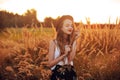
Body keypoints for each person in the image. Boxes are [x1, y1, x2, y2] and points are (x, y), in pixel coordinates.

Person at [48, 15, 79, 80]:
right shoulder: (53, 43)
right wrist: (64, 55)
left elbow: (70, 60)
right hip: (57, 75)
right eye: (67, 25)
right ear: (61, 28)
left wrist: (74, 41)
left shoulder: (73, 42)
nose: (70, 27)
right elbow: (50, 64)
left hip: (70, 73)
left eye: (71, 26)